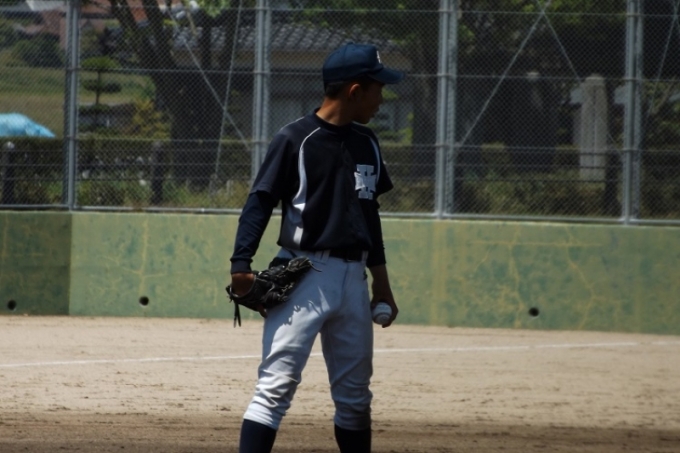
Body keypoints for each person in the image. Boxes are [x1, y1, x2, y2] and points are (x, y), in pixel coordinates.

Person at [229, 42, 403, 453]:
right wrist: (241, 266)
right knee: (275, 388)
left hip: (354, 279)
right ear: (355, 91)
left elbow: (370, 216)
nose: (382, 98)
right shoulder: (295, 139)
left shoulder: (368, 142)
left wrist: (381, 283)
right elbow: (260, 201)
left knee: (356, 400)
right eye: (378, 88)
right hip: (304, 275)